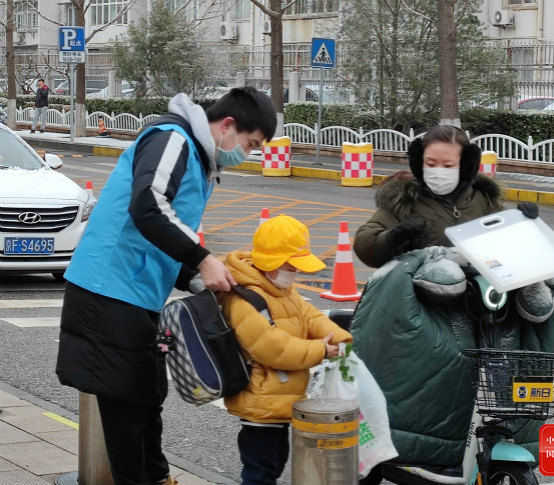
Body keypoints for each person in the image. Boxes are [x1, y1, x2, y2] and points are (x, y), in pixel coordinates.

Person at [55, 87, 277, 485]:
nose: (249, 153)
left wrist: (199, 279)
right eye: (251, 143)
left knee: (145, 398)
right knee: (127, 408)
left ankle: (157, 478)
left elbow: (161, 239)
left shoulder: (199, 158)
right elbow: (148, 206)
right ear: (228, 125)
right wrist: (203, 259)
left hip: (133, 291)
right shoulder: (173, 138)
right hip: (108, 288)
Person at [218, 214, 352, 485]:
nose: (295, 272)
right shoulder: (245, 299)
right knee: (260, 473)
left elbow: (310, 315)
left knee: (274, 464)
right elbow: (273, 349)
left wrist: (340, 337)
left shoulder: (280, 288)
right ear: (272, 262)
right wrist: (320, 350)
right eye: (291, 265)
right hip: (260, 403)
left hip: (278, 399)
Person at [353, 124, 509, 268]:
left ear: (465, 166)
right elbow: (365, 246)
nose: (438, 171)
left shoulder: (482, 199)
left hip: (476, 286)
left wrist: (521, 219)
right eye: (431, 164)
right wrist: (394, 237)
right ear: (419, 163)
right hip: (419, 287)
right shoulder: (404, 200)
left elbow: (510, 237)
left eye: (448, 165)